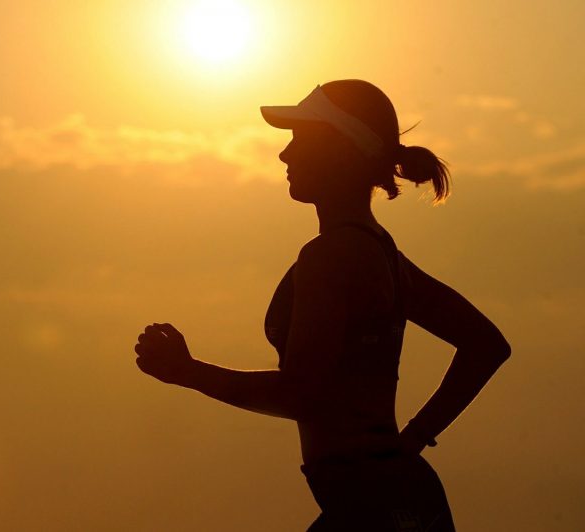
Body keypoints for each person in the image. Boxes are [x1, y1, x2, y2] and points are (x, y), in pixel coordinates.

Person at [133, 79, 512, 531]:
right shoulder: (381, 252)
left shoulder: (331, 256)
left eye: (300, 139)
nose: (284, 155)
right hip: (397, 499)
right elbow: (486, 345)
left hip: (372, 506)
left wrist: (190, 373)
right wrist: (410, 440)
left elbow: (303, 394)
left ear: (342, 150)